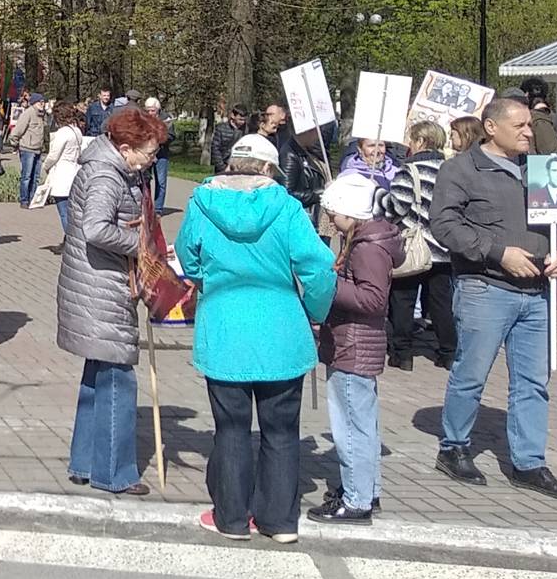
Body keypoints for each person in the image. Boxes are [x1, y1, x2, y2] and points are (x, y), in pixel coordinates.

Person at [177, 132, 336, 542]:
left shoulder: (201, 202)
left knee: (230, 429)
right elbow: (320, 267)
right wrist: (315, 312)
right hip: (281, 329)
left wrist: (207, 279)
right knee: (281, 431)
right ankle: (279, 521)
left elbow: (187, 256)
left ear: (232, 164)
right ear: (268, 168)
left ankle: (231, 517)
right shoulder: (286, 207)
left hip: (225, 329)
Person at [432, 98, 557, 501]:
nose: (530, 132)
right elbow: (444, 225)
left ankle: (529, 462)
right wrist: (499, 252)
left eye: (530, 125)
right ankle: (454, 446)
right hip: (485, 286)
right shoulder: (460, 169)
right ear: (491, 128)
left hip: (537, 294)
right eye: (521, 125)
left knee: (533, 381)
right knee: (471, 373)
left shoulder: (543, 169)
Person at [57, 107, 167, 496]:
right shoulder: (106, 174)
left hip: (95, 283)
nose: (151, 159)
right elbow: (96, 229)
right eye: (148, 152)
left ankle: (85, 461)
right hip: (101, 286)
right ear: (125, 147)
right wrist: (144, 249)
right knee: (119, 378)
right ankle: (115, 473)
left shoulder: (115, 169)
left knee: (98, 377)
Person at [308, 174, 402, 526]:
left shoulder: (366, 247)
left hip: (353, 343)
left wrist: (330, 284)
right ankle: (366, 489)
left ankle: (356, 499)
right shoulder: (369, 240)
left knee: (350, 426)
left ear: (352, 212)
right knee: (363, 423)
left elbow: (373, 298)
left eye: (334, 213)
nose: (331, 219)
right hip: (358, 341)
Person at [380, 120, 455, 370]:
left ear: (421, 141)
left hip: (414, 246)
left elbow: (397, 207)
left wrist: (379, 198)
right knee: (441, 302)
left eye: (411, 139)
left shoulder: (409, 170)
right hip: (444, 247)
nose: (408, 145)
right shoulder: (451, 169)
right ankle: (448, 352)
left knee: (403, 300)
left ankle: (403, 354)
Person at [40, 102, 87, 228]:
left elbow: (53, 155)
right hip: (75, 170)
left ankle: (69, 239)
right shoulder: (77, 131)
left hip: (63, 173)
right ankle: (71, 238)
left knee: (64, 211)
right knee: (74, 211)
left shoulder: (62, 133)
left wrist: (45, 166)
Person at [9, 93, 49, 207]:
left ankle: (33, 199)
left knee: (36, 177)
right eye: (40, 102)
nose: (42, 104)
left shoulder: (42, 115)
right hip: (27, 149)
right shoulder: (28, 114)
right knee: (26, 176)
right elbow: (17, 131)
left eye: (43, 102)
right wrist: (15, 144)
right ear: (34, 103)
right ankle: (24, 200)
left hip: (38, 149)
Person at [210, 107, 248, 174]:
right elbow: (215, 149)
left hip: (240, 168)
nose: (243, 122)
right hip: (223, 167)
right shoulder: (221, 129)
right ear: (233, 116)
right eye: (240, 119)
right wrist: (222, 167)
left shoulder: (247, 130)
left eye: (244, 120)